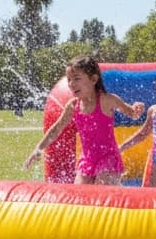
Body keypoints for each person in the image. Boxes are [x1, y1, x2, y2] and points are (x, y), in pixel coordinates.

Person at [25, 55, 144, 185]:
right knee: (81, 195)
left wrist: (136, 109)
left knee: (101, 190)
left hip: (108, 158)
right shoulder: (73, 106)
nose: (71, 84)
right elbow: (56, 128)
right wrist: (38, 149)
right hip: (87, 160)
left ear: (93, 79)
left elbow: (132, 114)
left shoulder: (106, 100)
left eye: (76, 79)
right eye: (69, 80)